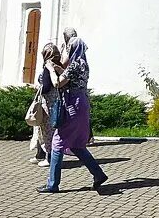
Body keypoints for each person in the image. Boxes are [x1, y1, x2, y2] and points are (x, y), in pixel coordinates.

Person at [37, 36, 107, 194]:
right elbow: (70, 77)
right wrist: (59, 68)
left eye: (69, 48)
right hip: (81, 103)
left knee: (57, 142)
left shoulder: (74, 64)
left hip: (72, 105)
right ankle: (98, 174)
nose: (66, 51)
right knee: (76, 145)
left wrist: (49, 68)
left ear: (73, 49)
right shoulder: (83, 64)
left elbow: (58, 83)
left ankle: (53, 184)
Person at [29, 43, 63, 167]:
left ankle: (49, 158)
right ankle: (42, 154)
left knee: (48, 132)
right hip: (55, 102)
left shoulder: (49, 67)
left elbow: (47, 86)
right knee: (46, 131)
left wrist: (39, 87)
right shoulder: (59, 65)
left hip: (48, 104)